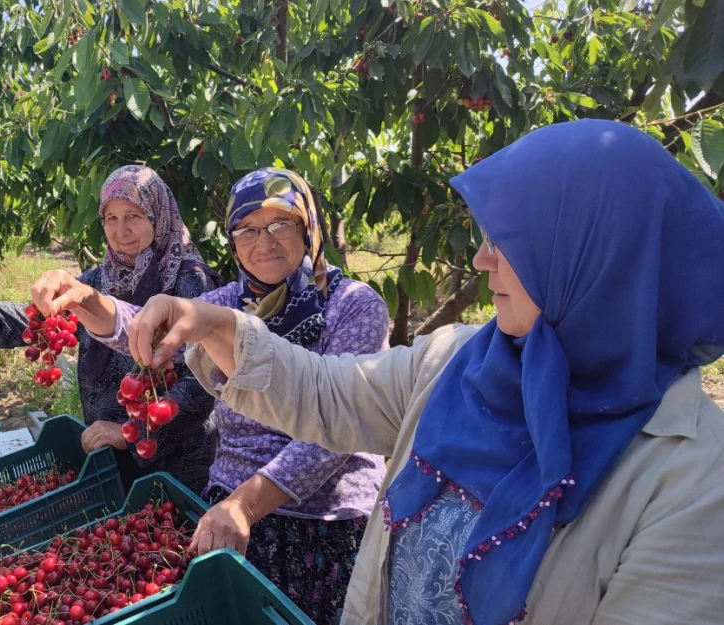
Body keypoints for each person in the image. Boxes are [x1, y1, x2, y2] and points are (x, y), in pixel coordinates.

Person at [124, 120, 724, 625]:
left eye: (509, 241)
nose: (481, 258)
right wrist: (211, 323)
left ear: (600, 256)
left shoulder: (693, 486)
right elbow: (324, 393)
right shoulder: (459, 362)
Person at [30, 167, 390, 625]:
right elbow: (143, 324)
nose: (264, 242)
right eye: (247, 229)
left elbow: (336, 431)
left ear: (309, 226)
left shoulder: (353, 306)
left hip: (326, 524)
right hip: (229, 513)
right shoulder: (225, 305)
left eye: (281, 224)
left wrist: (245, 504)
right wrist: (84, 299)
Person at [0, 165, 221, 495]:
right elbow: (36, 324)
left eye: (134, 216)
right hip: (108, 458)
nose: (121, 230)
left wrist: (133, 429)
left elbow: (204, 382)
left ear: (158, 216)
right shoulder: (99, 280)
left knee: (171, 540)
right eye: (111, 218)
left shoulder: (189, 281)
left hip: (177, 466)